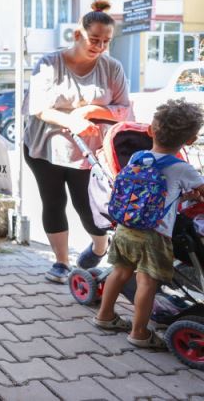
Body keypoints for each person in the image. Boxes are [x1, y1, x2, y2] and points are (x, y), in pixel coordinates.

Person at [23, 0, 132, 284]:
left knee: (89, 206)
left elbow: (124, 110)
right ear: (77, 35)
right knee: (53, 201)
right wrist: (75, 121)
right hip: (45, 149)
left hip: (89, 155)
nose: (99, 46)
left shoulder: (112, 68)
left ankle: (99, 247)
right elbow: (39, 108)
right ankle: (60, 262)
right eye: (94, 39)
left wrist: (91, 112)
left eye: (106, 41)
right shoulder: (49, 63)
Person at [95, 99, 204, 349]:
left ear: (150, 131)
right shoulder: (183, 168)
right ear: (189, 140)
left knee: (120, 272)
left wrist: (181, 194)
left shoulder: (138, 156)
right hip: (154, 236)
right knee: (146, 283)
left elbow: (156, 188)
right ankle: (139, 332)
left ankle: (104, 316)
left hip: (125, 228)